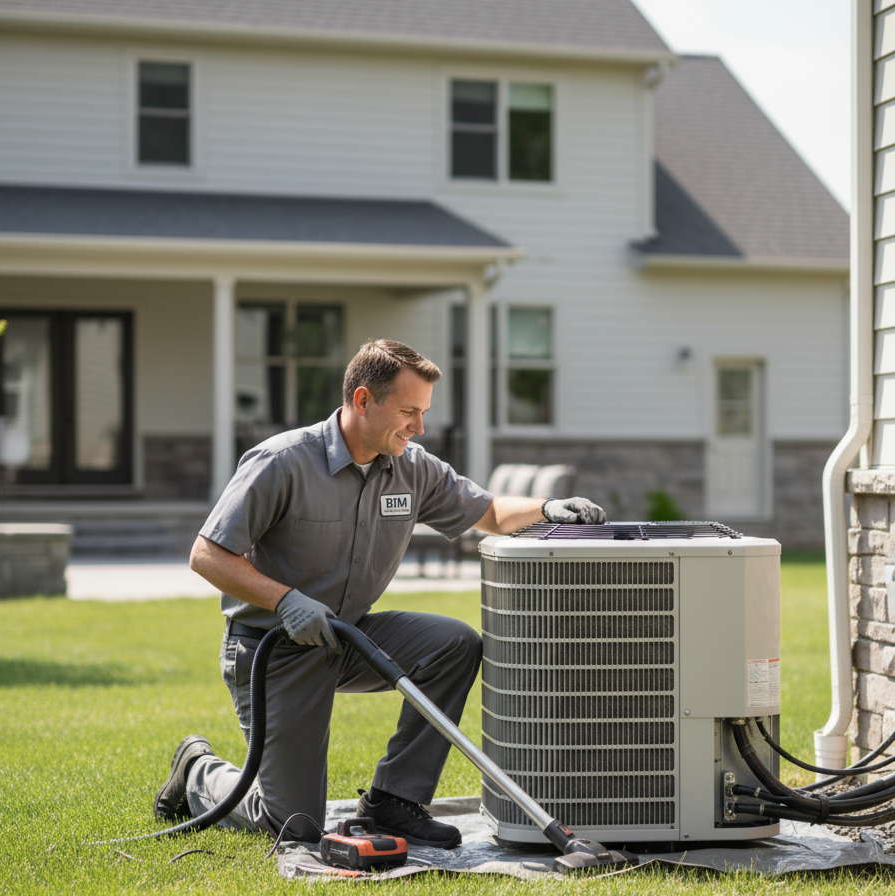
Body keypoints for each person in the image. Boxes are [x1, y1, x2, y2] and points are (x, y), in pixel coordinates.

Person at [154, 339, 605, 848]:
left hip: (350, 637)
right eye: (409, 411)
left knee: (453, 644)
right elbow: (207, 554)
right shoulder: (282, 461)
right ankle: (198, 770)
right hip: (273, 649)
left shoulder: (411, 467)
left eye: (423, 413)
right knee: (292, 825)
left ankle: (395, 801)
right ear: (363, 400)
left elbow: (490, 513)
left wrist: (547, 508)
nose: (419, 427)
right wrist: (284, 599)